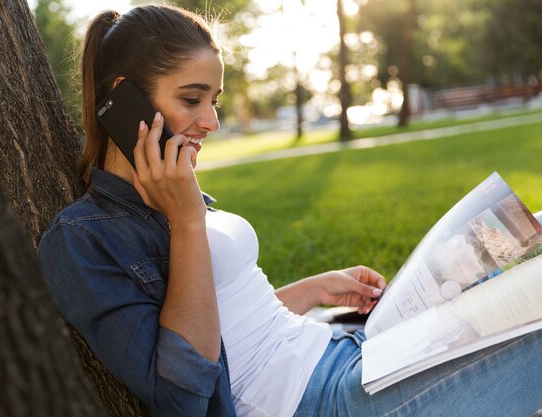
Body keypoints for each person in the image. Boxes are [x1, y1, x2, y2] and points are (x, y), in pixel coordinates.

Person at [37, 5, 542, 417]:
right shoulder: (82, 239)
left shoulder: (180, 195)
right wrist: (186, 218)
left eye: (214, 100)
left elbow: (235, 326)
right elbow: (183, 393)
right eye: (192, 99)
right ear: (121, 100)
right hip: (327, 401)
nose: (211, 121)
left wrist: (311, 290)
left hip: (352, 352)